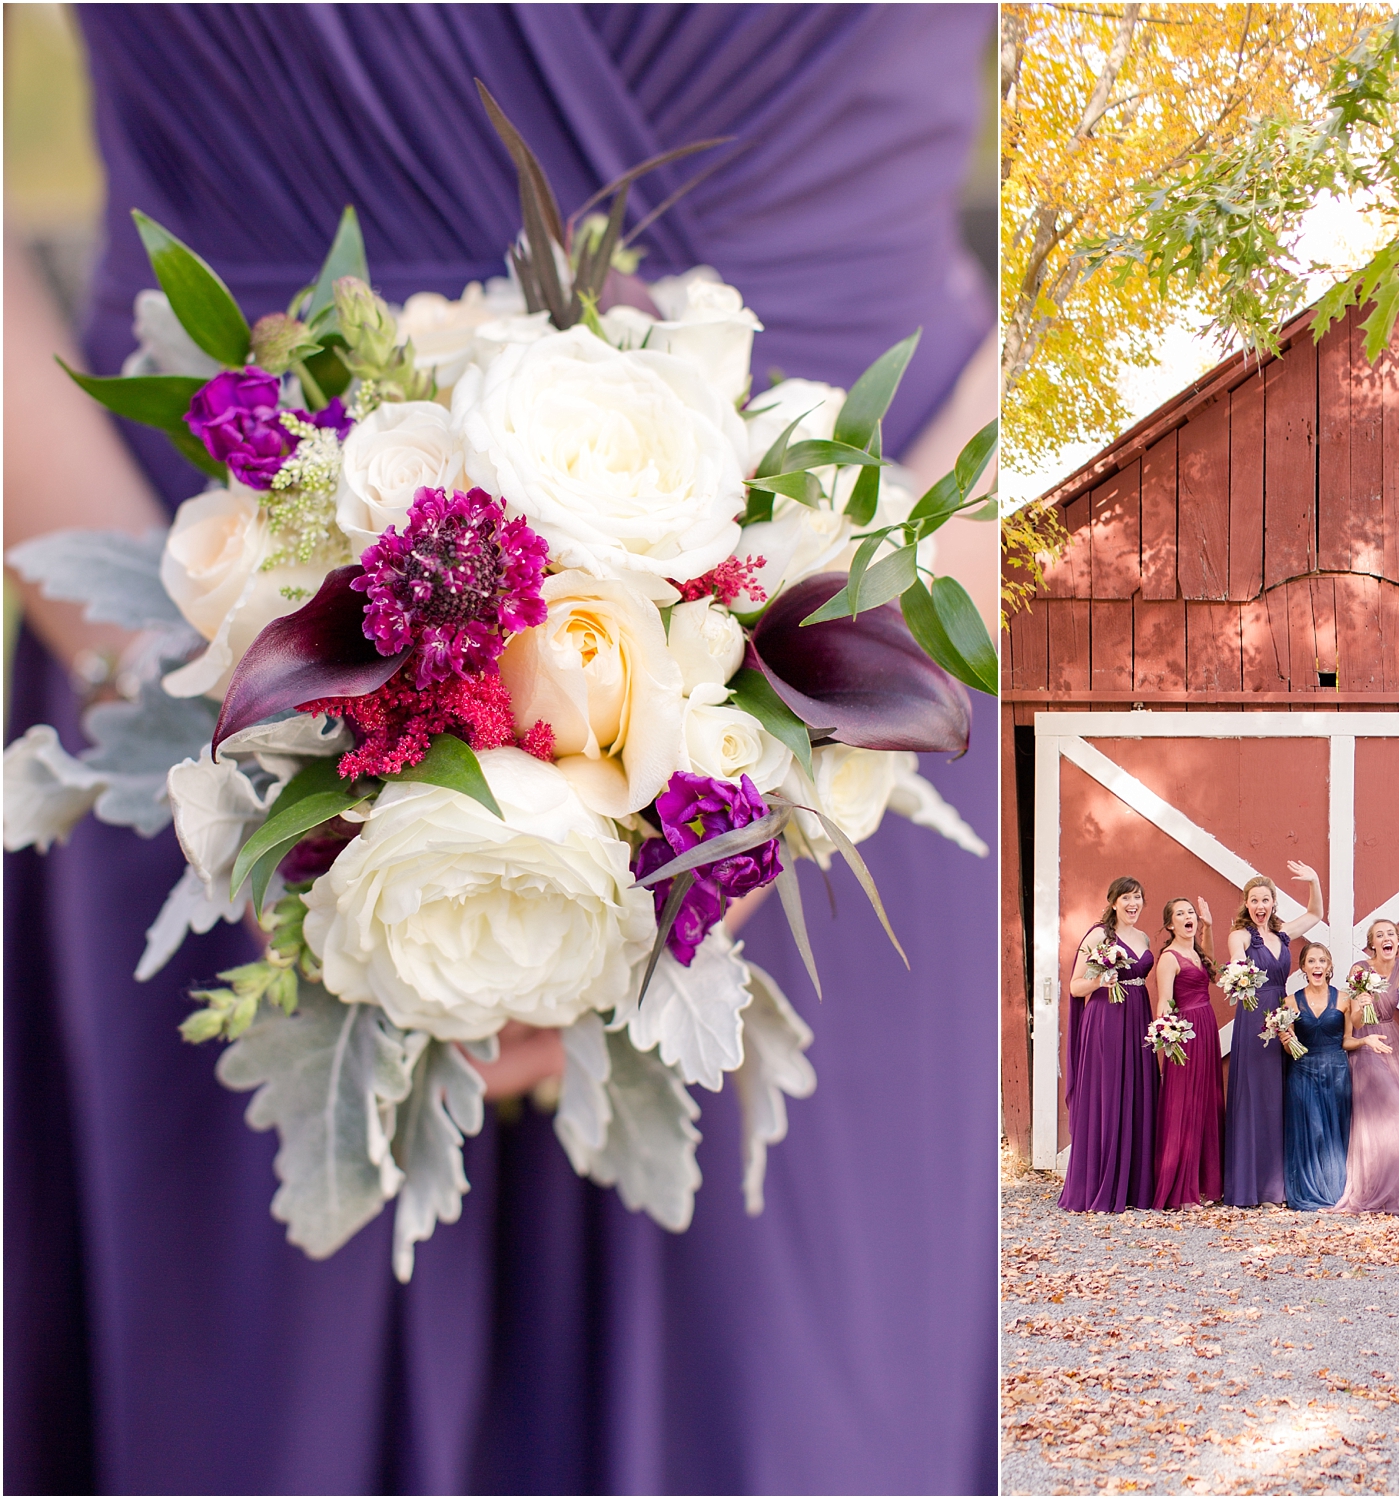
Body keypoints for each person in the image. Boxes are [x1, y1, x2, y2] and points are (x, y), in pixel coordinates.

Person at [5, 10, 998, 1493]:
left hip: (853, 680)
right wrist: (241, 739)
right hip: (208, 681)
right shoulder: (222, 718)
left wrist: (756, 757)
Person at [1221, 862, 1322, 1208]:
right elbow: (1236, 954)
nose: (1260, 906)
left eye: (1265, 900)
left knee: (1278, 1095)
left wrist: (1314, 882)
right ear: (1246, 904)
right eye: (1254, 900)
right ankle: (1250, 1185)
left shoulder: (1281, 935)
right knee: (1254, 1095)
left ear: (1273, 903)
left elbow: (1315, 914)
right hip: (1254, 1017)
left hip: (1282, 1011)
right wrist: (1239, 967)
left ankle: (1275, 1185)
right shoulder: (1243, 934)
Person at [1059, 877, 1158, 1214]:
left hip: (1138, 1017)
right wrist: (1102, 978)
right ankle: (1099, 1184)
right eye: (1127, 897)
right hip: (1107, 1021)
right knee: (1108, 1096)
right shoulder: (1100, 935)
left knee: (1135, 1095)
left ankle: (1131, 1185)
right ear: (1114, 901)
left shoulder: (1143, 937)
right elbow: (1075, 987)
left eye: (1139, 897)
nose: (1134, 903)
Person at [1333, 920, 1399, 1216]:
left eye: (1391, 934)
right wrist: (1361, 1004)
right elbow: (1356, 1023)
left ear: (1398, 941)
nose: (1386, 939)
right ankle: (1376, 1187)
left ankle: (1398, 1189)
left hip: (1392, 1044)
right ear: (1371, 944)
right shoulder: (1360, 969)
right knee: (1390, 1116)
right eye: (1379, 935)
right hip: (1367, 1044)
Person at [1152, 896, 1223, 1210]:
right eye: (1179, 914)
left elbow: (1214, 969)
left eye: (1190, 912)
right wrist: (1167, 1034)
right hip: (1186, 1033)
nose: (1186, 917)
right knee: (1185, 1105)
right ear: (1170, 924)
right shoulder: (1169, 958)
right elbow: (1164, 1000)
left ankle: (1205, 1185)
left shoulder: (1195, 951)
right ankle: (1181, 1191)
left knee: (1206, 1101)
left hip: (1207, 1027)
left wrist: (1208, 925)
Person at [1281, 942, 1352, 1211]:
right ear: (1303, 967)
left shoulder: (1344, 999)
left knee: (1334, 1133)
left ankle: (1336, 1189)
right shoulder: (1290, 1002)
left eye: (1322, 961)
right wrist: (1284, 1038)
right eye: (1311, 961)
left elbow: (1348, 1039)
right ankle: (1309, 1189)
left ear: (1329, 966)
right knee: (1312, 1130)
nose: (1317, 966)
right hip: (1303, 1072)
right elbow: (1289, 1047)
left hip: (1336, 1072)